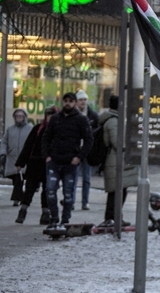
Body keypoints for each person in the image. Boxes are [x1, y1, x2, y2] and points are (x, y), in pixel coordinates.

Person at [42, 93, 93, 228]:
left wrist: (79, 157)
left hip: (71, 162)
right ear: (62, 102)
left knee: (68, 194)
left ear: (75, 103)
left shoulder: (81, 119)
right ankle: (54, 218)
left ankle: (65, 221)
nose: (68, 104)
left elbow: (89, 140)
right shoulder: (55, 119)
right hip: (54, 160)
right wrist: (46, 155)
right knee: (50, 190)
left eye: (70, 101)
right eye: (65, 101)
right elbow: (46, 137)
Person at [98, 95, 137, 227]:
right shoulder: (114, 122)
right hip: (114, 161)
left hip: (117, 161)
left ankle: (116, 217)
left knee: (120, 190)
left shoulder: (116, 120)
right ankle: (111, 218)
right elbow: (117, 143)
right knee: (115, 192)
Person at [14, 106, 56, 224]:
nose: (50, 118)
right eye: (48, 115)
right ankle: (22, 211)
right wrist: (20, 162)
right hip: (35, 163)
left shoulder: (58, 131)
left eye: (52, 116)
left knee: (48, 190)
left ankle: (45, 214)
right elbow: (28, 146)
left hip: (49, 165)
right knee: (29, 189)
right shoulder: (38, 129)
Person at [1, 108, 31, 209]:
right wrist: (3, 153)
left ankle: (16, 199)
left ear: (24, 117)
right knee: (16, 180)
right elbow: (4, 141)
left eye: (21, 116)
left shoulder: (30, 128)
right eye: (17, 116)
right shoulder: (10, 129)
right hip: (13, 158)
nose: (19, 118)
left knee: (20, 178)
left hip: (25, 159)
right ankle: (21, 196)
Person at [74, 90, 99, 211]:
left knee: (87, 178)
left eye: (85, 100)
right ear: (77, 102)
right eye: (81, 100)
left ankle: (85, 202)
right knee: (73, 177)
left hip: (88, 151)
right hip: (75, 150)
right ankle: (71, 201)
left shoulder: (93, 115)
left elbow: (98, 131)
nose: (83, 102)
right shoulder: (73, 115)